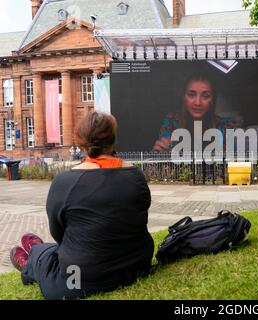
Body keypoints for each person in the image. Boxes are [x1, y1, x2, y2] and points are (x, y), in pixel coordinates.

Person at [9, 111, 154, 300]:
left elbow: (58, 233)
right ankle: (39, 253)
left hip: (79, 278)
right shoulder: (136, 176)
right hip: (136, 265)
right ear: (113, 139)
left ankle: (31, 262)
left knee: (45, 255)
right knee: (62, 250)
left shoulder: (64, 181)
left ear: (80, 142)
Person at [152, 74, 236, 152]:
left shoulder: (227, 125)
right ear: (183, 97)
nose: (198, 103)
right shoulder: (171, 120)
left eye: (205, 96)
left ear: (212, 100)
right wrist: (158, 153)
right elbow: (161, 154)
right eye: (191, 95)